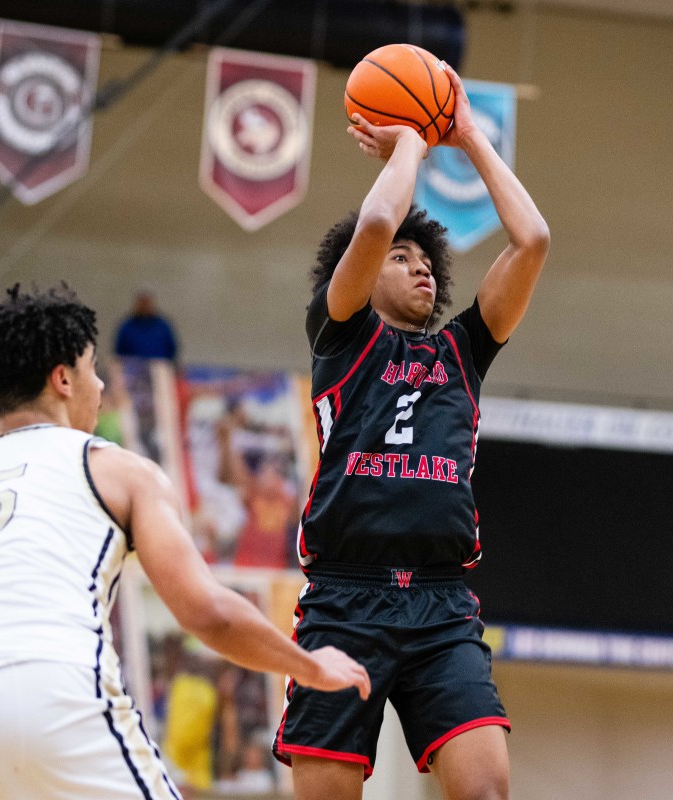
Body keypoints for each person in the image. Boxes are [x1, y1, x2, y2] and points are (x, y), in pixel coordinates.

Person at [0, 284, 370, 800]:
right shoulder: (119, 472)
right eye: (93, 368)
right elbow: (208, 614)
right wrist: (310, 666)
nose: (102, 384)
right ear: (63, 378)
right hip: (53, 686)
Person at [274, 63, 549, 800]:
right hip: (344, 596)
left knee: (487, 791)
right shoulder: (341, 338)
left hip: (441, 601)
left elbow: (533, 241)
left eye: (429, 262)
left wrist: (469, 138)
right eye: (403, 258)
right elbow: (372, 224)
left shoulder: (462, 351)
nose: (421, 268)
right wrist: (409, 147)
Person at [115, 288, 179, 361]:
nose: (145, 306)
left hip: (158, 366)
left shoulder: (163, 326)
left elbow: (172, 351)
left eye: (147, 302)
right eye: (142, 302)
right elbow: (119, 352)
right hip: (133, 367)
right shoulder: (126, 327)